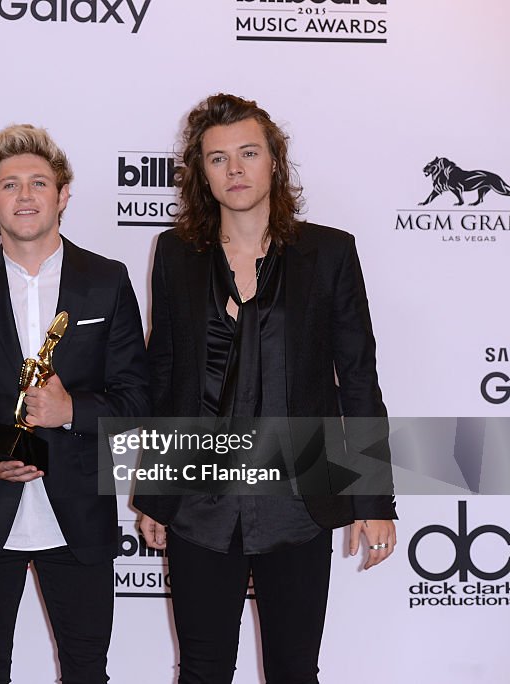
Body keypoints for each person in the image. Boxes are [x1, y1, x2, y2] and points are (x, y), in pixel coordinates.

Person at [133, 93, 397, 683]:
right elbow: (164, 376)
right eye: (218, 158)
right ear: (202, 173)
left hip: (299, 500)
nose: (235, 170)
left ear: (273, 160)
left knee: (295, 669)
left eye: (248, 153)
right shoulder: (177, 254)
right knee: (202, 668)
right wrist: (153, 492)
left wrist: (373, 498)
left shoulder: (328, 252)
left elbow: (357, 377)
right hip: (199, 502)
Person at [0, 124, 149, 684]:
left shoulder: (107, 282)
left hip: (78, 515)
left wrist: (71, 412)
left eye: (40, 182)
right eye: (11, 185)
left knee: (87, 671)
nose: (27, 195)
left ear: (64, 195)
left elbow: (136, 401)